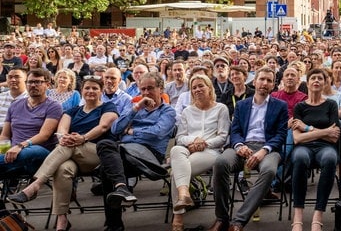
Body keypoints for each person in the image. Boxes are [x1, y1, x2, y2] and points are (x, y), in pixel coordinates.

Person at [8, 75, 118, 231]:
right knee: (62, 169)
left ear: (101, 91)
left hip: (97, 153)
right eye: (87, 87)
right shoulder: (72, 111)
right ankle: (62, 222)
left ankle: (35, 185)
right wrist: (64, 138)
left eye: (95, 88)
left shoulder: (108, 107)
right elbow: (61, 131)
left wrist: (83, 138)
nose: (90, 91)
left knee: (68, 146)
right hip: (71, 154)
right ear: (81, 90)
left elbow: (104, 127)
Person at [206, 66, 287, 231]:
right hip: (242, 146)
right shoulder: (242, 105)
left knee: (269, 171)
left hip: (268, 149)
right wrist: (239, 145)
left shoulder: (280, 106)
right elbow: (234, 130)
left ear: (274, 85)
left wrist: (264, 150)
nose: (264, 83)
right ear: (255, 81)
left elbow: (280, 135)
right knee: (220, 163)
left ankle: (238, 222)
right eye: (262, 79)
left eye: (269, 80)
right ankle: (221, 218)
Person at [97, 72, 176, 231]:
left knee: (107, 166)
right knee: (106, 151)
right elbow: (115, 129)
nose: (146, 93)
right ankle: (121, 188)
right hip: (125, 153)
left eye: (150, 88)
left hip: (149, 156)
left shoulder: (168, 111)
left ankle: (114, 223)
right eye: (143, 89)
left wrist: (131, 132)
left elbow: (157, 132)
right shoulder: (136, 108)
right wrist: (136, 108)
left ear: (161, 89)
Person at [170, 74, 230, 231]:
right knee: (176, 149)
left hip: (211, 151)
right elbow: (180, 137)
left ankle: (178, 218)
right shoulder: (187, 111)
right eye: (194, 87)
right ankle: (184, 194)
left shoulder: (221, 108)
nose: (197, 89)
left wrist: (204, 144)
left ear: (209, 88)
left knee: (175, 173)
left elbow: (223, 137)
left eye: (201, 86)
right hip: (188, 149)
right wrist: (193, 141)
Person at [290, 68, 341, 231]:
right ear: (308, 83)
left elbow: (334, 137)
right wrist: (324, 131)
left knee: (330, 159)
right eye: (313, 78)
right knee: (299, 159)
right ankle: (298, 216)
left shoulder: (331, 104)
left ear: (325, 83)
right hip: (303, 147)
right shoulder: (299, 107)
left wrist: (307, 128)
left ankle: (318, 215)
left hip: (326, 147)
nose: (317, 81)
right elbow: (297, 138)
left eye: (320, 78)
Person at [0, 68, 63, 176]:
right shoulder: (15, 105)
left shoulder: (53, 106)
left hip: (38, 152)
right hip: (13, 154)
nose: (33, 85)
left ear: (47, 85)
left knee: (30, 152)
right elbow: (5, 135)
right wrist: (4, 149)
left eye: (38, 82)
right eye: (30, 82)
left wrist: (20, 146)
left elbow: (44, 135)